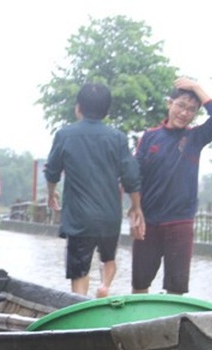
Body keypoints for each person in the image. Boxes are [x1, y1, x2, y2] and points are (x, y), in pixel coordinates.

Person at [44, 82, 143, 297]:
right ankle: (104, 286)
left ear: (78, 108)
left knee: (79, 271)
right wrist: (136, 207)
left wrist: (51, 193)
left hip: (79, 219)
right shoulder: (118, 138)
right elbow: (131, 177)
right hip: (109, 217)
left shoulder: (65, 135)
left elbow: (52, 171)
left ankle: (80, 301)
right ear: (107, 111)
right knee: (108, 259)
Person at [132, 77, 212, 295]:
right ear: (169, 103)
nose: (184, 113)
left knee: (176, 288)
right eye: (180, 105)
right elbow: (135, 175)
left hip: (180, 221)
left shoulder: (195, 138)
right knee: (139, 283)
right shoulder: (150, 137)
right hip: (148, 221)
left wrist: (196, 87)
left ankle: (172, 319)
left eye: (191, 110)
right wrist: (135, 210)